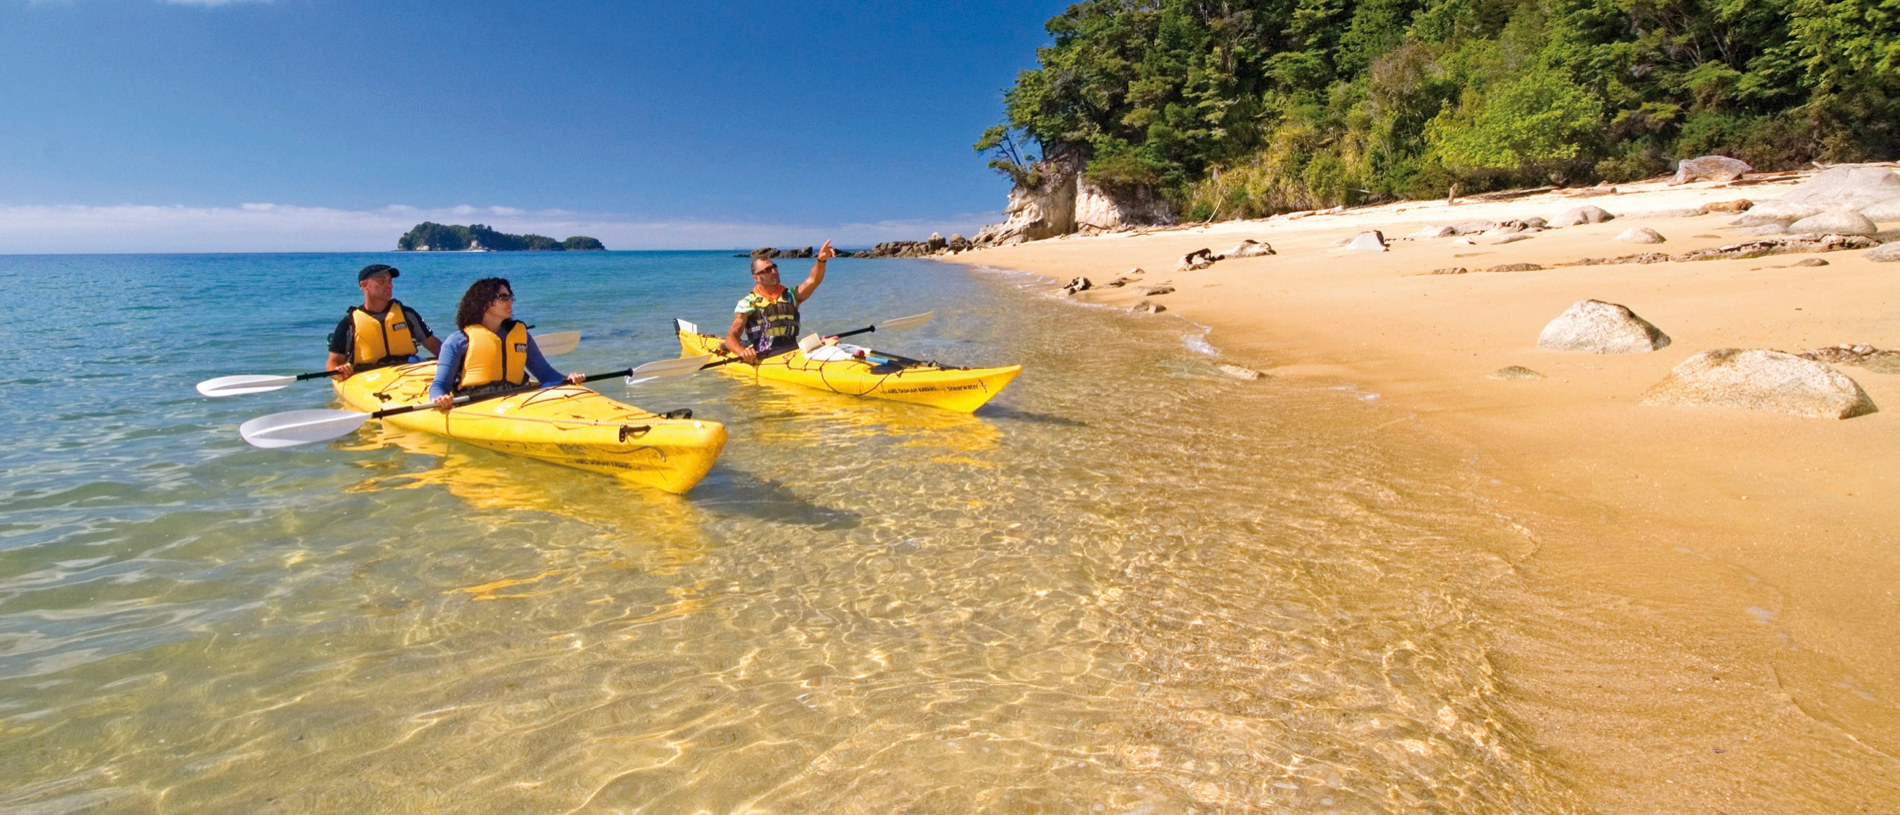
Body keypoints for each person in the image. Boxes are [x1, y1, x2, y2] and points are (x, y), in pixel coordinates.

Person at [428, 277, 585, 411]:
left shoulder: (521, 336)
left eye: (510, 297)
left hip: (517, 401)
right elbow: (440, 385)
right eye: (503, 297)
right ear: (484, 303)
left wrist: (568, 379)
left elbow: (545, 374)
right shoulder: (457, 341)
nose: (510, 301)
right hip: (476, 405)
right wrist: (439, 399)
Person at [724, 240, 835, 363]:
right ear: (756, 278)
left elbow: (813, 280)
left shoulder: (791, 295)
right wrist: (742, 352)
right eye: (767, 270)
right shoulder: (748, 303)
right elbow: (731, 338)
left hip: (791, 354)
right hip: (764, 358)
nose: (773, 272)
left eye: (774, 267)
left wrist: (821, 260)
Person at [327, 264, 442, 379]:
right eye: (382, 280)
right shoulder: (348, 323)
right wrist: (340, 372)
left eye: (390, 281)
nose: (389, 285)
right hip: (368, 375)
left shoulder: (407, 314)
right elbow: (333, 363)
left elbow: (436, 347)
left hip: (407, 370)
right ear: (364, 285)